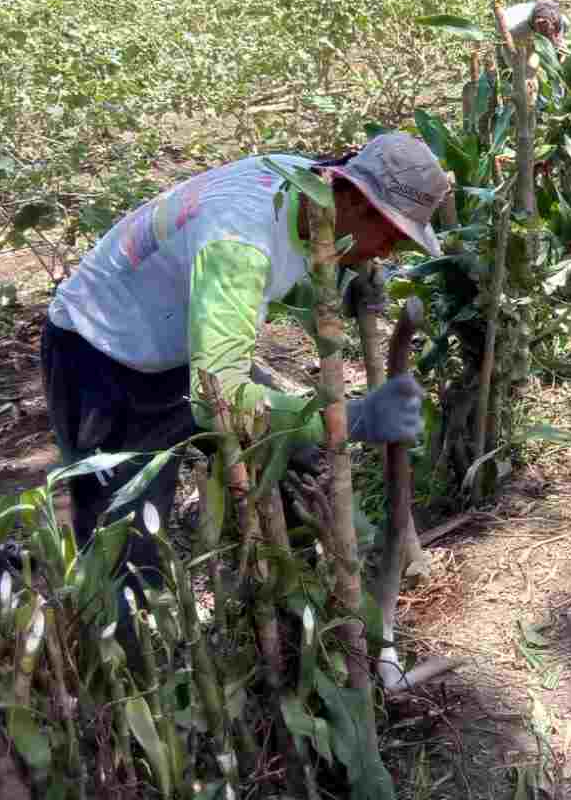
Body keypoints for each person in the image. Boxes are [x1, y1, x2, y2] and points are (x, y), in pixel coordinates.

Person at [42, 131, 446, 591]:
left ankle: (317, 592)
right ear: (354, 199)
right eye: (390, 237)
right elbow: (219, 400)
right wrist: (350, 419)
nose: (388, 254)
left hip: (187, 347)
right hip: (101, 360)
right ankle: (112, 649)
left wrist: (339, 276)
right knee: (125, 559)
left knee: (296, 453)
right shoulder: (238, 242)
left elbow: (289, 259)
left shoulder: (307, 186)